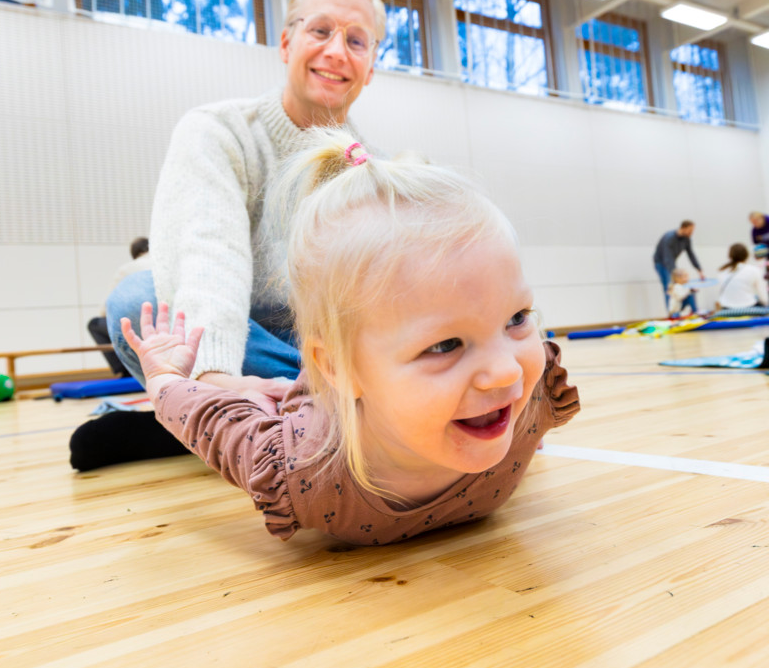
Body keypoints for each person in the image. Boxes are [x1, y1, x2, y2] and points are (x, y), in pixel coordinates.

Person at [119, 129, 580, 546]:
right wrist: (166, 383)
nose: (507, 371)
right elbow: (221, 428)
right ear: (338, 367)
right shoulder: (303, 466)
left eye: (516, 317)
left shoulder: (533, 396)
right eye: (445, 345)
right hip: (312, 408)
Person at [71, 0, 385, 471]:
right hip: (240, 339)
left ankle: (207, 422)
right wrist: (217, 375)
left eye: (356, 41)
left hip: (321, 351)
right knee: (136, 300)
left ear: (370, 67)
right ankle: (288, 411)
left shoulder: (372, 167)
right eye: (320, 31)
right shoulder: (218, 132)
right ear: (286, 44)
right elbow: (210, 251)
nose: (336, 51)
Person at [86, 238, 151, 376]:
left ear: (135, 254)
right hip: (169, 324)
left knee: (94, 324)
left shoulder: (127, 269)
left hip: (140, 326)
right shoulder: (165, 265)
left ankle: (123, 371)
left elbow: (106, 307)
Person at [653, 221, 704, 308]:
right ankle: (671, 313)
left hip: (671, 261)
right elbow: (667, 258)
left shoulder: (686, 239)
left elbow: (691, 254)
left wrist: (699, 269)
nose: (691, 233)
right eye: (690, 230)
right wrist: (676, 275)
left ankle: (693, 311)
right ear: (683, 228)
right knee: (669, 286)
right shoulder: (669, 238)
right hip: (661, 263)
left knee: (682, 286)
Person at [715, 243, 769, 311]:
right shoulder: (754, 270)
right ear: (747, 255)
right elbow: (764, 298)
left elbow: (721, 295)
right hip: (749, 308)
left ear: (730, 256)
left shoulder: (722, 271)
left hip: (727, 309)